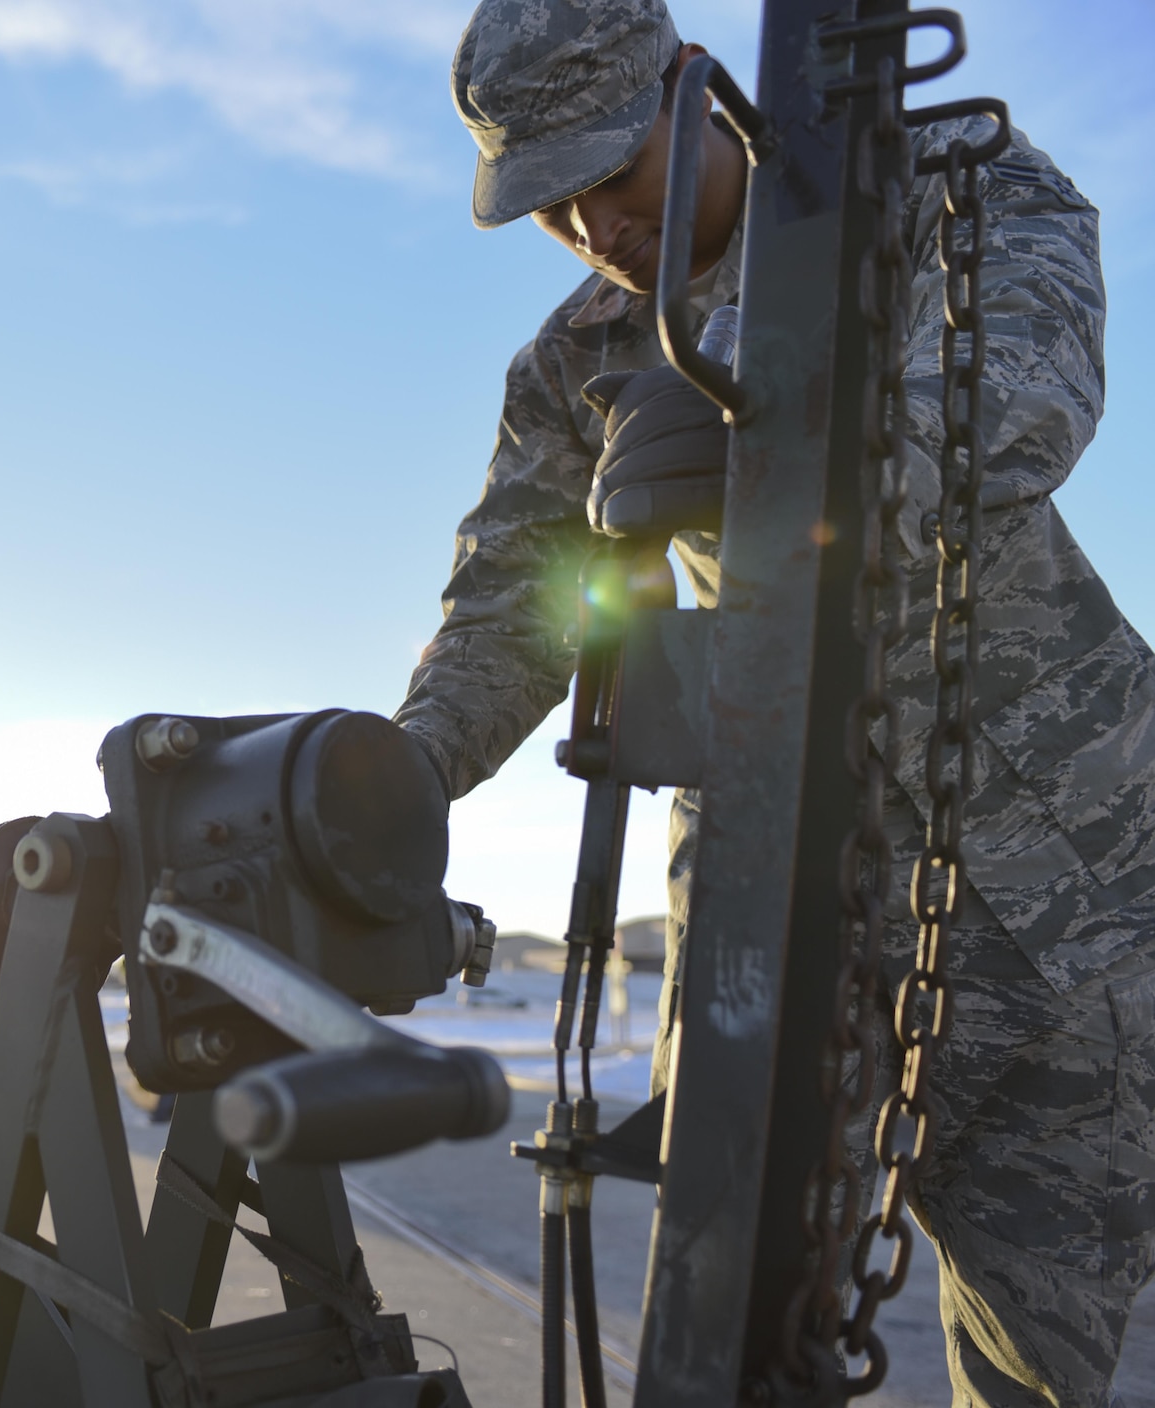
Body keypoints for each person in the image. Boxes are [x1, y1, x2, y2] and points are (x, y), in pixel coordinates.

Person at [392, 0, 1155, 1401]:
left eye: (611, 178)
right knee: (736, 1321)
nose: (595, 233)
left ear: (697, 90)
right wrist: (398, 780)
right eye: (553, 209)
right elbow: (513, 603)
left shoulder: (941, 189)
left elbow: (1031, 392)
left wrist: (778, 484)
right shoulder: (578, 368)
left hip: (1080, 885)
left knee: (1046, 1353)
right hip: (788, 903)